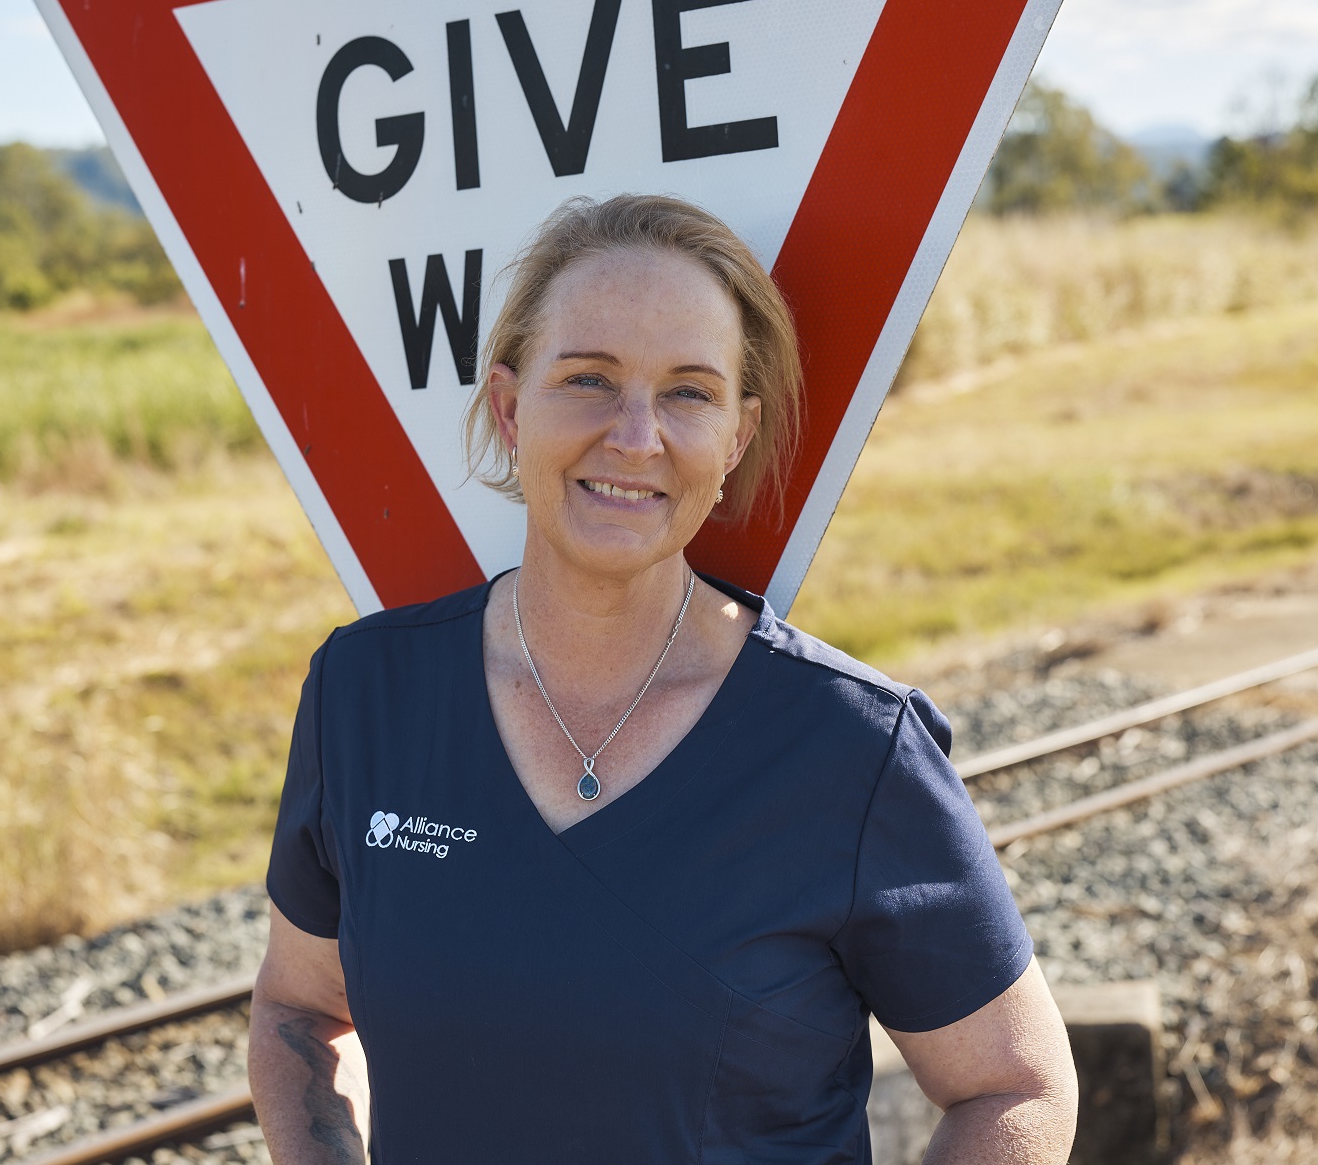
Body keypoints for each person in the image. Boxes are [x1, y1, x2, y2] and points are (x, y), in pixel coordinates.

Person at [248, 194, 1078, 1164]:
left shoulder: (851, 748)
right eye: (590, 378)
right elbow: (299, 1009)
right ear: (512, 408)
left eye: (688, 392)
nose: (635, 435)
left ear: (733, 437)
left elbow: (1013, 1085)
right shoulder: (367, 695)